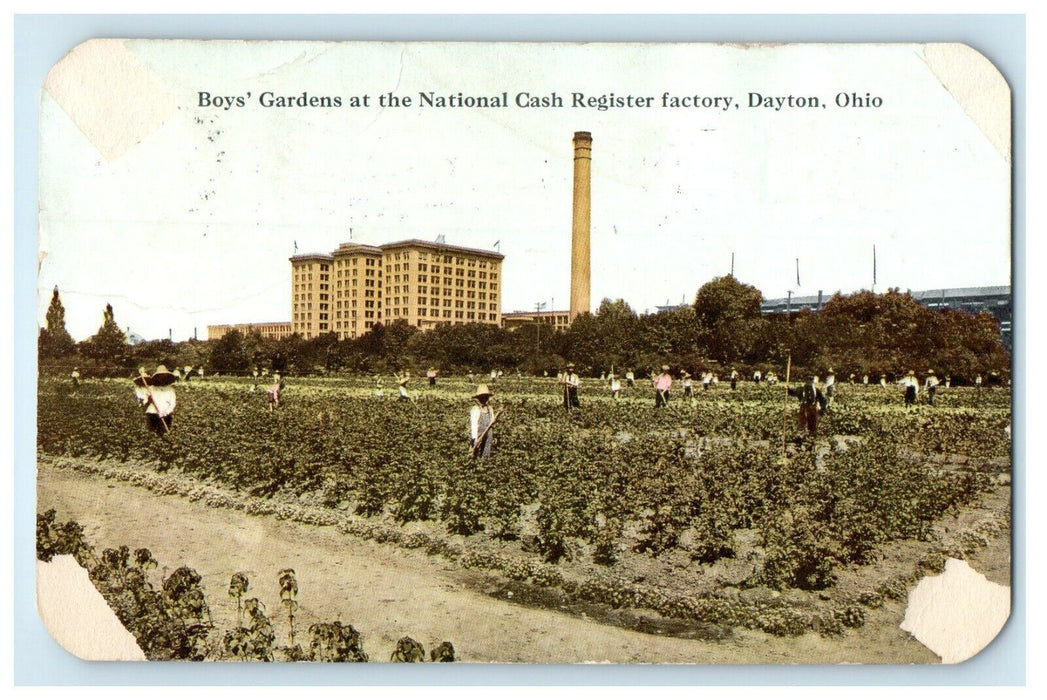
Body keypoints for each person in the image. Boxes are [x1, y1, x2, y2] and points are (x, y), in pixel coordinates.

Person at [136, 365, 177, 435]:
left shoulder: (170, 390)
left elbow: (173, 404)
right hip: (152, 413)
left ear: (167, 378)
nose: (162, 379)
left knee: (163, 433)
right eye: (160, 377)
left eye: (164, 377)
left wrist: (165, 412)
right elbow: (145, 401)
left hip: (165, 415)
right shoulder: (151, 388)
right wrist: (148, 399)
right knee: (151, 433)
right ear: (157, 377)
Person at [788, 374, 823, 438]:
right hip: (804, 406)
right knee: (802, 421)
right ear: (805, 381)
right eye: (807, 381)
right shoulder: (801, 389)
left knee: (812, 422)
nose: (809, 382)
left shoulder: (816, 390)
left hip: (813, 407)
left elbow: (821, 399)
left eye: (810, 381)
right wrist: (788, 390)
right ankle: (801, 435)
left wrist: (822, 408)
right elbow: (793, 393)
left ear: (812, 381)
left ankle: (812, 435)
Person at [469, 385, 496, 459]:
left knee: (486, 451)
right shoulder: (476, 409)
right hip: (479, 434)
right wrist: (474, 438)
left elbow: (492, 421)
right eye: (482, 397)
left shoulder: (490, 409)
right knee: (477, 452)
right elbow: (474, 425)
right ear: (479, 398)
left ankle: (484, 465)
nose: (484, 399)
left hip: (488, 434)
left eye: (486, 397)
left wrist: (493, 421)